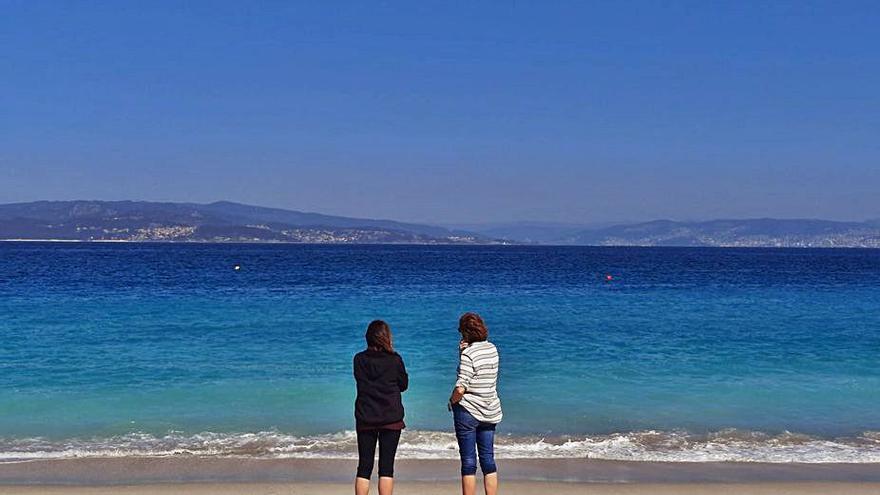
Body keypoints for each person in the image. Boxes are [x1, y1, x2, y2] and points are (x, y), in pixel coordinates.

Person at [448, 312, 502, 495]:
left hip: (468, 410)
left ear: (465, 332)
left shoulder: (469, 354)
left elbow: (461, 386)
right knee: (488, 459)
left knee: (469, 461)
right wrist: (462, 353)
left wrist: (451, 401)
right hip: (490, 409)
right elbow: (481, 375)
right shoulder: (493, 349)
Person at [353, 320, 408, 495]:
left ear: (368, 337)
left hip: (366, 416)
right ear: (386, 338)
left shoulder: (359, 359)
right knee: (386, 467)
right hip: (391, 417)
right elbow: (404, 384)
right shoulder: (395, 359)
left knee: (364, 466)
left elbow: (361, 381)